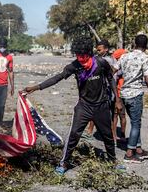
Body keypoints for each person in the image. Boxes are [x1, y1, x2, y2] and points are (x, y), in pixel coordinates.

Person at [23, 37, 122, 175]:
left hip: (102, 106)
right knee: (74, 135)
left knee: (107, 136)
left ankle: (113, 162)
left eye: (83, 55)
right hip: (84, 106)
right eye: (78, 55)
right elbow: (57, 78)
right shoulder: (74, 66)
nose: (80, 58)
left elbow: (110, 78)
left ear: (89, 53)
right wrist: (37, 87)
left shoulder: (101, 63)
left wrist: (117, 99)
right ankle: (63, 163)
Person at [114, 34, 148, 163]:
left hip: (123, 94)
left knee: (135, 123)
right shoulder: (145, 58)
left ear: (135, 43)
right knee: (136, 123)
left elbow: (112, 71)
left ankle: (139, 150)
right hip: (135, 95)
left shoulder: (124, 56)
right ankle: (130, 153)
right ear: (146, 46)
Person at [85, 39, 116, 139]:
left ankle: (107, 133)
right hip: (98, 88)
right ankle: (93, 129)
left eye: (99, 50)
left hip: (105, 89)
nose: (97, 52)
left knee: (104, 111)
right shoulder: (98, 59)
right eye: (97, 50)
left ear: (106, 49)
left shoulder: (108, 60)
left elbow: (111, 76)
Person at [111, 49, 127, 143]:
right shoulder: (127, 63)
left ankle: (114, 135)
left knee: (116, 115)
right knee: (122, 116)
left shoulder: (118, 65)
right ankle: (122, 135)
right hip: (124, 92)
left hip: (119, 92)